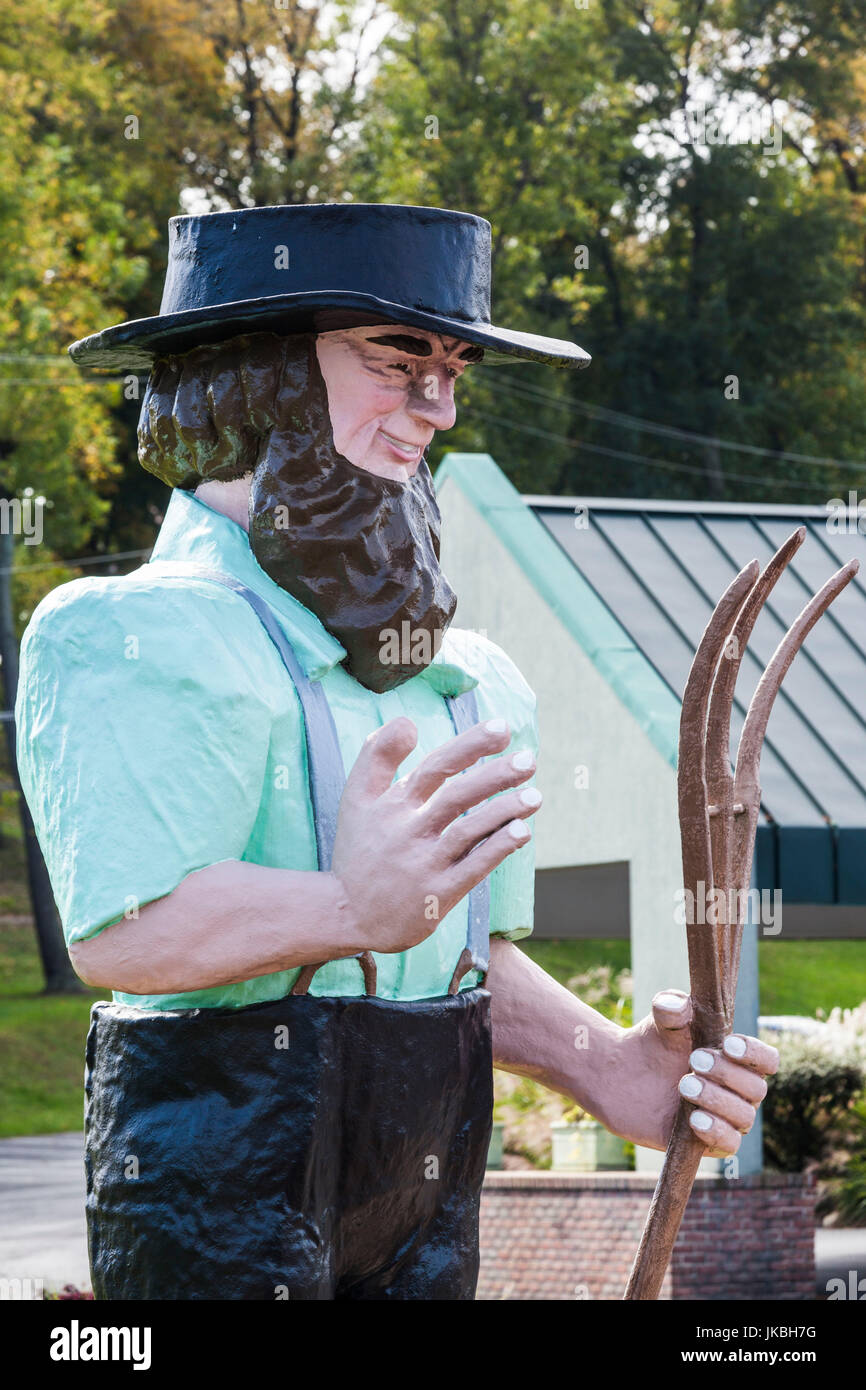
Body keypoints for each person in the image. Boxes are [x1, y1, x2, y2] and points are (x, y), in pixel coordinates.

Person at [16, 203, 778, 1300]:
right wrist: (342, 908)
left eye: (452, 366)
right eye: (396, 360)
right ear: (264, 371)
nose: (438, 405)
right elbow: (130, 932)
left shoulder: (464, 678)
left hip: (425, 1185)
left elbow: (456, 955)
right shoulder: (128, 638)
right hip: (218, 1171)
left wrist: (602, 1066)